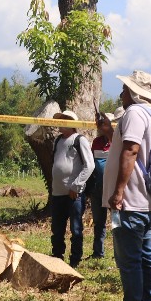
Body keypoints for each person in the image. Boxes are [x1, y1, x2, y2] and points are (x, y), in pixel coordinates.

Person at [103, 70, 151, 301]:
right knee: (147, 257)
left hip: (132, 200)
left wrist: (118, 192)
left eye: (125, 89)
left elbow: (131, 151)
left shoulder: (134, 114)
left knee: (129, 261)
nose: (121, 93)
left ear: (135, 93)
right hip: (147, 201)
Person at [50, 110, 94, 268]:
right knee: (57, 228)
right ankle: (57, 255)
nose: (60, 123)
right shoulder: (57, 141)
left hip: (74, 194)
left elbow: (89, 165)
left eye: (64, 120)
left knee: (76, 229)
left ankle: (75, 259)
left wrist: (76, 185)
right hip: (57, 193)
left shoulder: (79, 140)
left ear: (71, 122)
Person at [85, 112, 115, 259]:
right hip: (97, 188)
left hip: (113, 190)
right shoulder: (96, 142)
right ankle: (98, 252)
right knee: (98, 222)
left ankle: (119, 253)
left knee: (117, 223)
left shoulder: (117, 142)